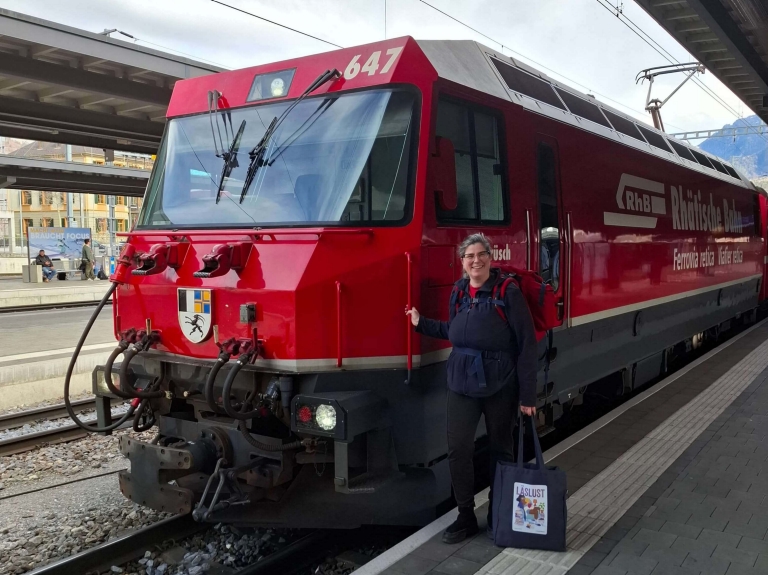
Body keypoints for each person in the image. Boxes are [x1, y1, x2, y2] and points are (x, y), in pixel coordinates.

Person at [406, 233, 537, 544]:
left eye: (481, 255)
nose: (475, 260)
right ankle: (465, 515)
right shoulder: (459, 291)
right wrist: (420, 322)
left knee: (500, 451)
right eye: (469, 256)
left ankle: (498, 512)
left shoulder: (508, 292)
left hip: (500, 385)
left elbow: (527, 344)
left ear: (490, 258)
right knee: (458, 450)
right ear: (462, 262)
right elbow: (455, 332)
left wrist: (528, 395)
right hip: (462, 383)